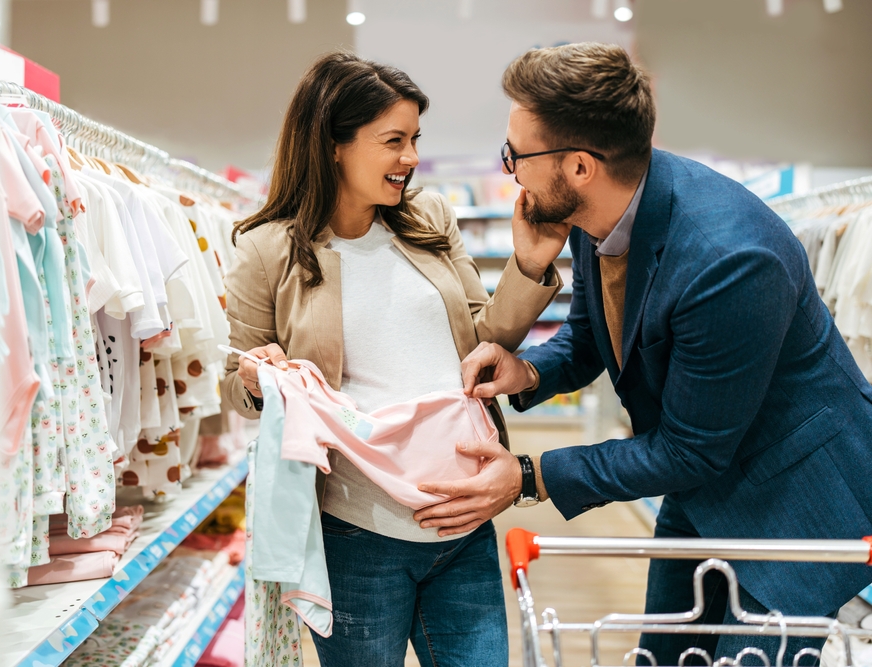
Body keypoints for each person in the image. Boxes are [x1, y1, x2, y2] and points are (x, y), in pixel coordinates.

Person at [415, 42, 872, 665]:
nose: (511, 171)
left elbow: (691, 449)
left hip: (792, 500)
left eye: (515, 155)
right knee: (665, 653)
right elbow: (591, 335)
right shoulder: (599, 215)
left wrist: (527, 475)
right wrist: (529, 371)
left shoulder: (729, 260)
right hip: (701, 486)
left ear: (580, 166)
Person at [221, 51, 568, 666]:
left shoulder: (428, 217)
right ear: (333, 144)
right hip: (358, 532)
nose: (411, 158)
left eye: (415, 140)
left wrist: (530, 264)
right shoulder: (266, 249)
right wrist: (253, 377)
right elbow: (238, 387)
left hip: (464, 519)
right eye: (393, 141)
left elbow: (485, 339)